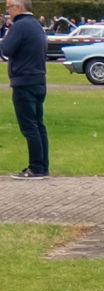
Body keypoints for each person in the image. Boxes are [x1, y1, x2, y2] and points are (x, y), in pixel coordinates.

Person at [2, 0, 47, 179]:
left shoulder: (19, 26)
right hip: (38, 79)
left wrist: (7, 35)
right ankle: (43, 166)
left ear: (18, 7)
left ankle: (35, 168)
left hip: (24, 81)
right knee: (38, 125)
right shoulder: (36, 25)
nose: (7, 12)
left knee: (29, 127)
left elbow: (6, 49)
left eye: (8, 8)